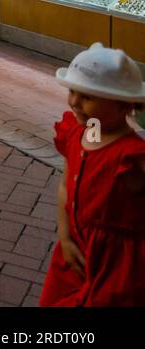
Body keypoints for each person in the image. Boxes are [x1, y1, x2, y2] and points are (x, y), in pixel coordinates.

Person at [40, 43, 145, 307]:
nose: (74, 101)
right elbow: (65, 186)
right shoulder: (75, 136)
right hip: (73, 254)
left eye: (87, 97)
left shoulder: (132, 156)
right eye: (73, 91)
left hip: (118, 268)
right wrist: (64, 236)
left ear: (124, 105)